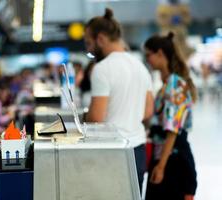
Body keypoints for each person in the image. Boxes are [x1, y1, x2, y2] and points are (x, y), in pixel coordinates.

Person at [84, 8, 154, 192]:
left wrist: (85, 117)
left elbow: (97, 118)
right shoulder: (141, 67)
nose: (89, 49)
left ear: (101, 39)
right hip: (138, 150)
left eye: (89, 43)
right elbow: (147, 113)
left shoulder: (102, 69)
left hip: (112, 152)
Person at [144, 32, 197, 200]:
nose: (147, 60)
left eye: (148, 55)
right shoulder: (167, 85)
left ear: (160, 53)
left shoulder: (176, 85)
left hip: (173, 162)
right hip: (164, 158)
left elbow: (173, 129)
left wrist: (161, 166)